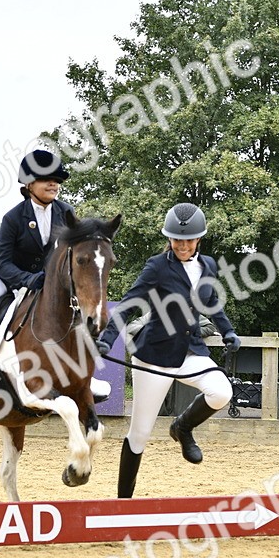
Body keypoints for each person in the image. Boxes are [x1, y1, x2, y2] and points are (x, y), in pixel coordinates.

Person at [95, 202, 240, 498]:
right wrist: (108, 339)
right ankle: (123, 503)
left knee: (221, 392)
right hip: (155, 356)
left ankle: (182, 428)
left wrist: (228, 331)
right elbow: (129, 303)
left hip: (190, 351)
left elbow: (211, 302)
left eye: (188, 240)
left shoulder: (208, 266)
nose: (183, 246)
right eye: (177, 240)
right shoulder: (157, 267)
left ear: (199, 239)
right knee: (139, 435)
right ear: (169, 238)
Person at [0, 150, 75, 405]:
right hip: (3, 274)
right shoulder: (14, 217)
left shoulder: (66, 212)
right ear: (29, 184)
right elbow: (2, 263)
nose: (53, 184)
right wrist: (28, 279)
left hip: (43, 279)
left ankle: (83, 379)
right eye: (46, 179)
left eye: (57, 180)